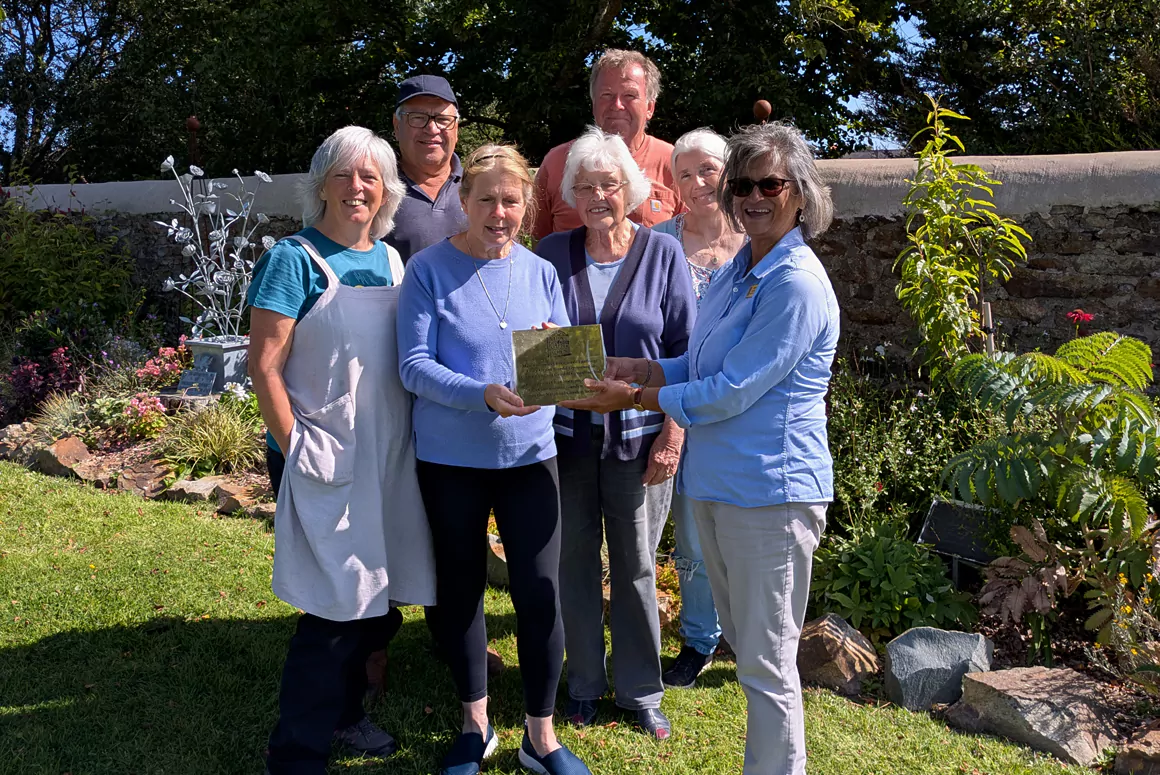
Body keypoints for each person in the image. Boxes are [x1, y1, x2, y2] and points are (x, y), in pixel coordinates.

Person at [561, 122, 839, 775]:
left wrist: (635, 397)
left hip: (771, 492)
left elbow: (732, 389)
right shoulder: (744, 267)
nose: (752, 197)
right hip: (719, 485)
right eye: (741, 185)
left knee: (767, 664)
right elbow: (697, 360)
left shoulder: (795, 283)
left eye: (769, 184)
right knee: (747, 647)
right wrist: (637, 367)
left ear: (800, 192)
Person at [398, 144, 592, 775]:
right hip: (451, 459)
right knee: (461, 590)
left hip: (530, 455)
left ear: (526, 205)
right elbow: (413, 366)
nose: (499, 212)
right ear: (464, 200)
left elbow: (558, 360)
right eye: (486, 199)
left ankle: (541, 738)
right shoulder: (428, 270)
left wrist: (572, 372)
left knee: (540, 592)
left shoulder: (540, 272)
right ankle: (474, 725)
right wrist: (479, 393)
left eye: (511, 201)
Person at [248, 126, 436, 775]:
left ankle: (347, 713)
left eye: (370, 177)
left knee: (378, 601)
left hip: (388, 456)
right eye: (344, 174)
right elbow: (264, 365)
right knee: (333, 608)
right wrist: (296, 445)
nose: (357, 187)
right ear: (321, 184)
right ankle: (295, 751)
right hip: (323, 454)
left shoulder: (392, 262)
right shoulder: (293, 260)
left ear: (386, 191)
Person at [535, 126, 696, 740]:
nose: (597, 196)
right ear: (570, 195)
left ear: (629, 189)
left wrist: (673, 434)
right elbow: (530, 339)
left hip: (640, 442)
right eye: (584, 186)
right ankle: (582, 685)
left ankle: (640, 690)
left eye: (608, 184)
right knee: (573, 563)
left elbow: (686, 354)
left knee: (635, 566)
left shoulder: (663, 254)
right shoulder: (551, 252)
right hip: (567, 441)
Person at [651, 128, 746, 689]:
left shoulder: (758, 241)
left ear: (729, 172)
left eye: (707, 169)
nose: (696, 183)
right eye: (683, 174)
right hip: (679, 406)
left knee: (749, 529)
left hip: (745, 408)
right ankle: (698, 639)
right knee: (691, 535)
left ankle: (751, 634)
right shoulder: (659, 243)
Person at [532, 49, 681, 239]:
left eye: (630, 95)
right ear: (593, 104)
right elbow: (538, 242)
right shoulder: (557, 162)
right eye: (607, 95)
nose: (617, 104)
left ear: (650, 107)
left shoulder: (675, 163)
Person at [386, 74, 469, 264]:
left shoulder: (479, 186)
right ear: (397, 126)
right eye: (417, 118)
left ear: (456, 129)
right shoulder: (376, 190)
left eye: (443, 119)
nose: (432, 129)